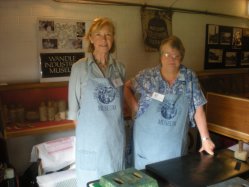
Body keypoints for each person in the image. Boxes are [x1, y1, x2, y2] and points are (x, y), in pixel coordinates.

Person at [124, 35, 215, 170]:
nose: (171, 59)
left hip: (174, 150)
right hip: (146, 148)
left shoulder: (189, 77)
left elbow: (198, 109)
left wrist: (205, 139)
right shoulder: (148, 76)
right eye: (167, 54)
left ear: (181, 57)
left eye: (176, 55)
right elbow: (126, 86)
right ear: (161, 57)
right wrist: (133, 106)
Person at [68, 17, 126, 187]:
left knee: (116, 181)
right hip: (91, 141)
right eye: (98, 35)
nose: (103, 39)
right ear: (91, 39)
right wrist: (92, 134)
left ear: (113, 39)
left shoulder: (120, 68)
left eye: (108, 35)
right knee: (92, 182)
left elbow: (120, 105)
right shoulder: (79, 68)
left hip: (115, 138)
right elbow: (74, 112)